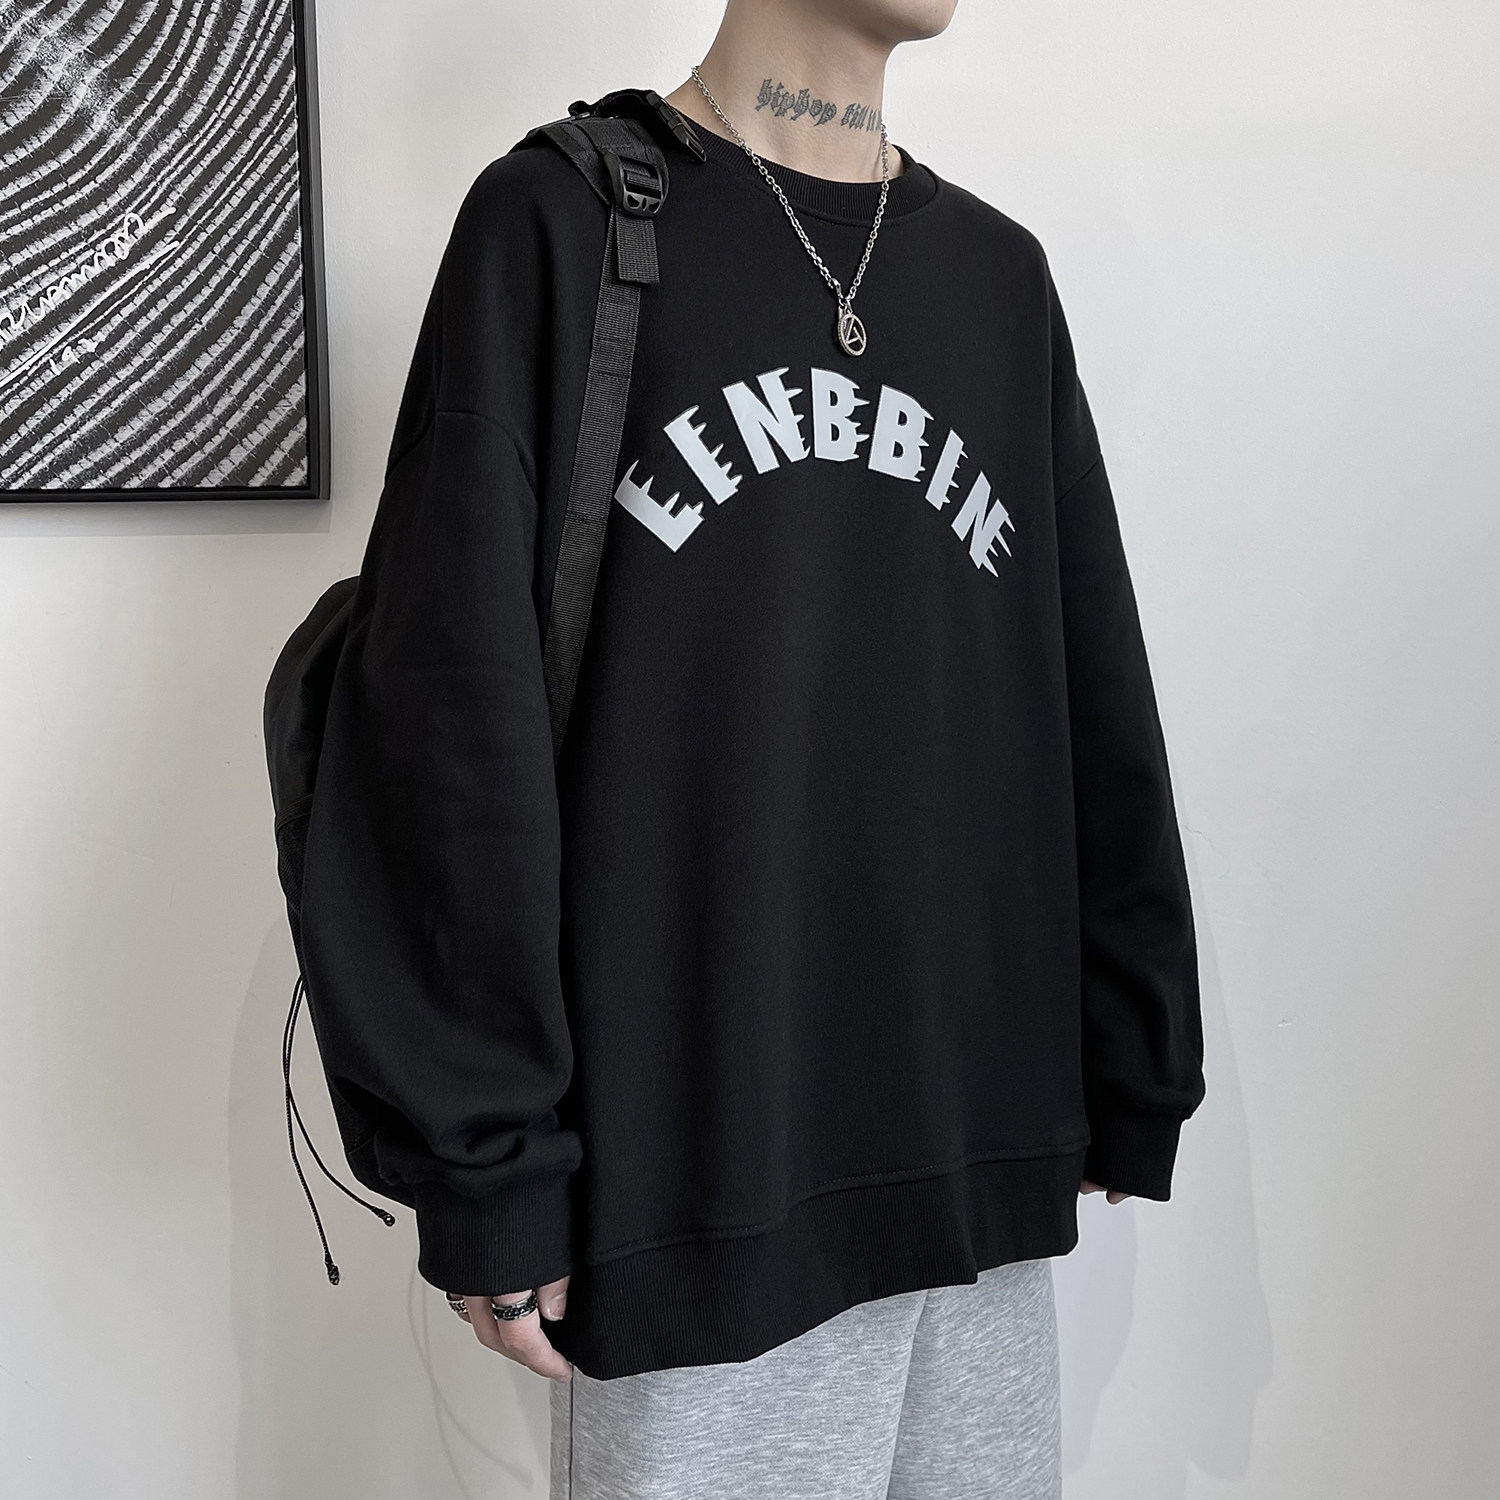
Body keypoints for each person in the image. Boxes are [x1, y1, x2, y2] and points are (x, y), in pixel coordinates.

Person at [296, 0, 1206, 1494]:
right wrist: (491, 1163)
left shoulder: (996, 278)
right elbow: (447, 728)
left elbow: (1089, 675)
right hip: (695, 1190)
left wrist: (1133, 1047)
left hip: (971, 1162)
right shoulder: (559, 226)